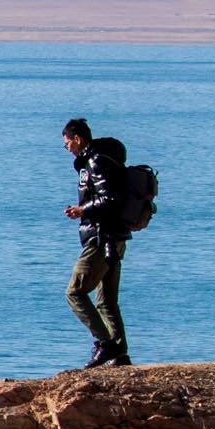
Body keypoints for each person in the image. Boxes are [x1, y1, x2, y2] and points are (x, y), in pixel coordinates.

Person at [60, 117, 133, 368]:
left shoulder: (96, 161)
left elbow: (110, 199)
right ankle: (120, 354)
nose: (67, 148)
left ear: (77, 139)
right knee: (106, 300)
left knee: (75, 292)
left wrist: (82, 210)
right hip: (114, 237)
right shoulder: (100, 160)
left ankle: (104, 344)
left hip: (102, 238)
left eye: (67, 142)